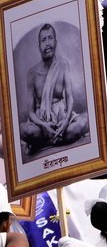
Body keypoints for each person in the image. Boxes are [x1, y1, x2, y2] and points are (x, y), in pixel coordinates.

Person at [20, 22, 88, 158]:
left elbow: (70, 98)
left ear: (56, 42)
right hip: (41, 123)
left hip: (62, 118)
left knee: (85, 120)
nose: (47, 43)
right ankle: (54, 138)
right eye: (43, 40)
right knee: (22, 129)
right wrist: (45, 125)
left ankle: (43, 142)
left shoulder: (63, 64)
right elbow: (30, 112)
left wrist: (66, 121)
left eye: (50, 38)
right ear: (39, 46)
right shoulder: (32, 73)